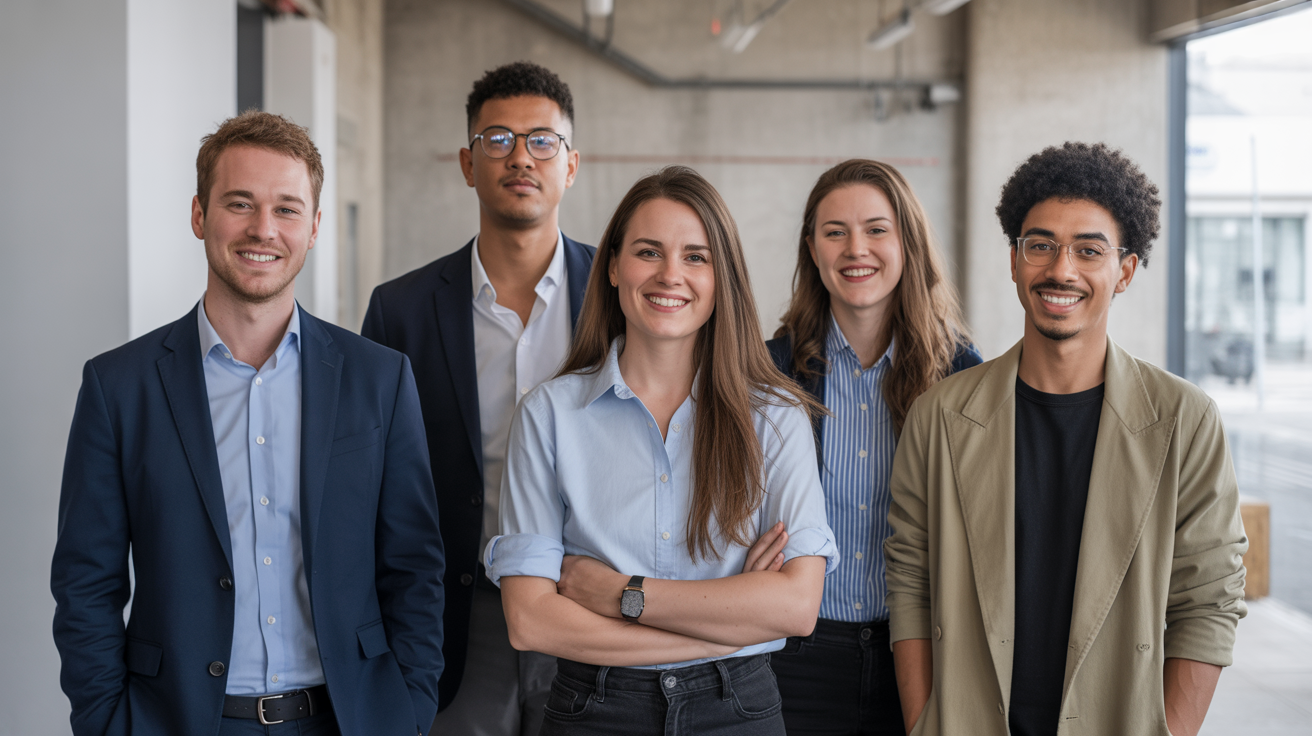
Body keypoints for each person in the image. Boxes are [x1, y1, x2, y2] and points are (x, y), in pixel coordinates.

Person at [50, 111, 445, 736]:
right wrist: (105, 722)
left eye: (287, 209)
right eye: (240, 203)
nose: (264, 229)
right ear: (199, 215)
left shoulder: (380, 378)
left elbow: (414, 566)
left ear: (314, 228)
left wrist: (409, 708)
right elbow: (85, 582)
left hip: (349, 718)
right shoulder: (117, 387)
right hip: (175, 721)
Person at [884, 142, 1248, 736]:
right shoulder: (941, 415)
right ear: (1014, 259)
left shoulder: (1185, 419)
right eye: (1041, 245)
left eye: (1089, 250)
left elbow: (1208, 598)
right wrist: (925, 721)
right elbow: (910, 580)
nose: (1061, 270)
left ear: (1124, 271)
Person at [484, 166, 839, 735]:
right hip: (593, 711)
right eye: (649, 252)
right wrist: (734, 618)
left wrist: (622, 595)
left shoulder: (775, 417)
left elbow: (796, 609)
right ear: (615, 268)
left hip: (737, 710)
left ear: (723, 277)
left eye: (696, 257)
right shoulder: (548, 416)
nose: (671, 275)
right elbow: (530, 622)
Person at [361, 61, 593, 736]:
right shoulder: (399, 310)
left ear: (571, 165)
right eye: (498, 139)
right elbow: (371, 481)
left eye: (541, 141)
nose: (520, 156)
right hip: (457, 617)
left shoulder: (621, 297)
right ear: (468, 163)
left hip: (590, 600)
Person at [765, 159, 980, 735]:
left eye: (876, 230)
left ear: (908, 243)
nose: (855, 248)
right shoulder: (769, 371)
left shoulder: (963, 376)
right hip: (793, 658)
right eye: (835, 232)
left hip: (919, 652)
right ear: (813, 249)